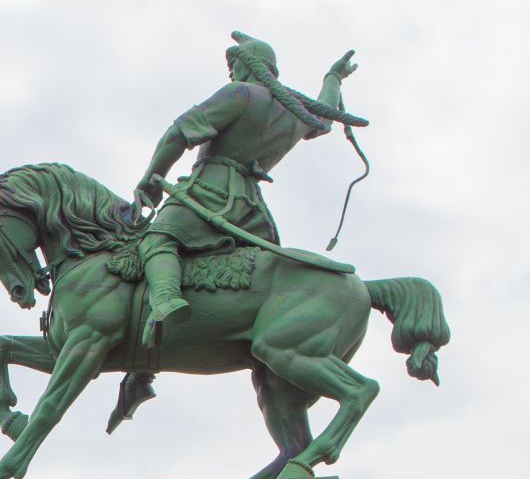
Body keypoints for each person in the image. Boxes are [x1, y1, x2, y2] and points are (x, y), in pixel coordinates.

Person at [132, 31, 367, 341]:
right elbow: (324, 114)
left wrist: (152, 178)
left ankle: (164, 302)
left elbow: (177, 134)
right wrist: (333, 77)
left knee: (154, 242)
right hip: (253, 214)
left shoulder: (239, 93)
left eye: (234, 63)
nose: (231, 71)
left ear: (250, 65)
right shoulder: (291, 110)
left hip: (209, 196)